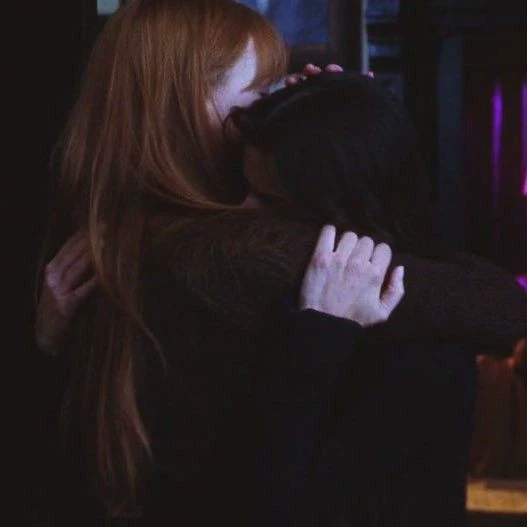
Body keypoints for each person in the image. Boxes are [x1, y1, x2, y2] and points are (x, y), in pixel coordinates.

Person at [33, 0, 527, 524]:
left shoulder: (104, 229)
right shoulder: (232, 255)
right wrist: (353, 133)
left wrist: (316, 119)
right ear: (187, 107)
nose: (271, 99)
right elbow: (500, 306)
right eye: (259, 91)